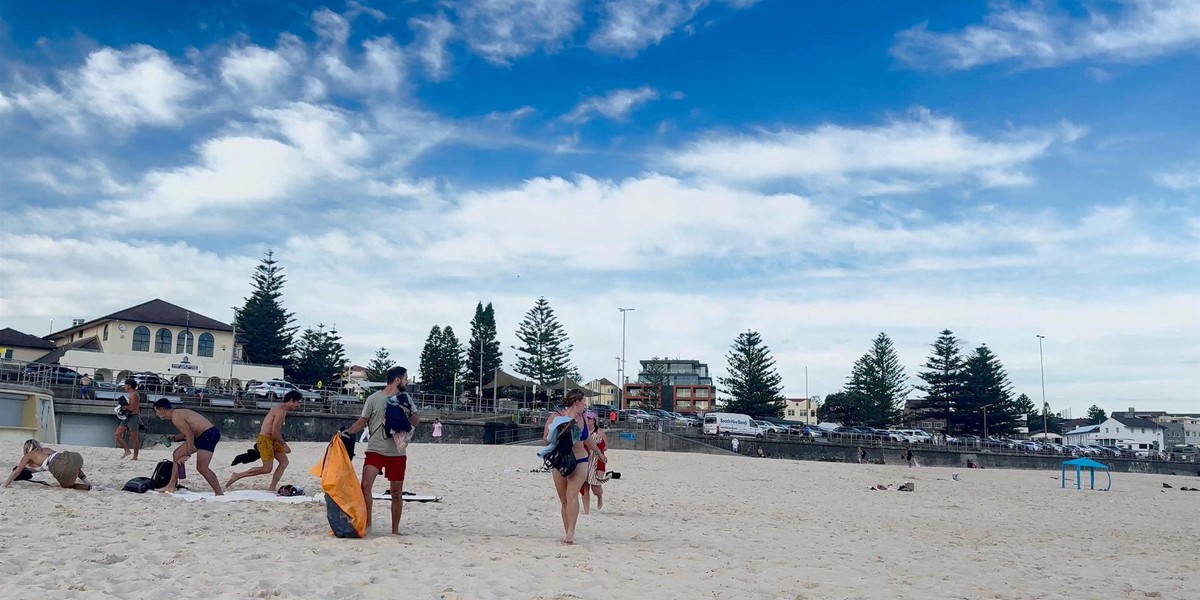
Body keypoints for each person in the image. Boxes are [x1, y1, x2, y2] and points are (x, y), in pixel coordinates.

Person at [343, 366, 418, 535]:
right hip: (375, 450)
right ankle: (368, 523)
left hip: (397, 453)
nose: (407, 382)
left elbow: (416, 422)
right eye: (405, 378)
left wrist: (407, 410)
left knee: (396, 492)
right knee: (366, 485)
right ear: (397, 380)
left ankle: (395, 530)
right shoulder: (373, 399)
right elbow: (362, 421)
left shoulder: (406, 398)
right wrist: (347, 432)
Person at [541, 390, 606, 544]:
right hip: (561, 460)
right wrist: (559, 435)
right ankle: (567, 530)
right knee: (564, 500)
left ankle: (571, 532)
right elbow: (545, 439)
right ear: (577, 401)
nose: (585, 405)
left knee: (572, 495)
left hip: (580, 458)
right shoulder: (556, 417)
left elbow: (587, 439)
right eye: (584, 402)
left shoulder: (583, 417)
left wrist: (599, 453)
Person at [224, 391, 301, 490]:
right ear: (291, 400)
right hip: (265, 440)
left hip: (273, 440)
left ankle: (272, 488)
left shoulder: (282, 410)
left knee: (284, 462)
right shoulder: (280, 410)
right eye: (298, 402)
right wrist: (284, 445)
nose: (299, 405)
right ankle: (237, 475)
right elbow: (275, 431)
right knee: (267, 469)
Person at [153, 399, 223, 495]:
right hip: (201, 435)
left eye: (156, 411)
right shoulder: (177, 414)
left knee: (202, 468)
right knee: (177, 454)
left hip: (209, 434)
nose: (156, 414)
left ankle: (219, 493)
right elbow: (189, 431)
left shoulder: (176, 417)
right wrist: (174, 438)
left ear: (162, 409)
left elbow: (189, 435)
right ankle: (171, 485)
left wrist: (188, 454)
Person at [3, 439, 91, 490]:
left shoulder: (28, 456)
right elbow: (52, 463)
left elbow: (17, 471)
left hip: (58, 466)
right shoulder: (45, 449)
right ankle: (87, 481)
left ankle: (87, 487)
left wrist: (5, 484)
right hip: (74, 457)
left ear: (26, 448)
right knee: (72, 465)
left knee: (66, 486)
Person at [580, 412, 609, 514]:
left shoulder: (599, 432)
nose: (588, 420)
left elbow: (606, 446)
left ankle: (599, 496)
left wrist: (597, 449)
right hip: (584, 460)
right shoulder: (582, 431)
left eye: (590, 419)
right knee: (584, 487)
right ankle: (586, 511)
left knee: (595, 485)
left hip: (598, 461)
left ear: (594, 420)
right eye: (586, 418)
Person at [116, 378, 141, 460]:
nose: (124, 386)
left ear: (129, 386)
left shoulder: (134, 395)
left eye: (125, 385)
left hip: (133, 417)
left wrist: (122, 405)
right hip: (127, 416)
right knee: (117, 434)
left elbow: (132, 408)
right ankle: (127, 450)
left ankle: (135, 456)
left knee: (134, 438)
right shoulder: (131, 394)